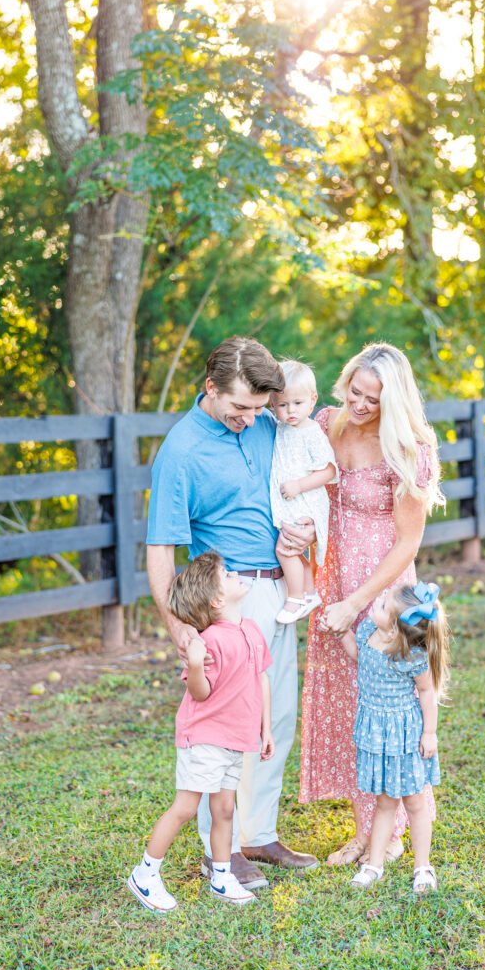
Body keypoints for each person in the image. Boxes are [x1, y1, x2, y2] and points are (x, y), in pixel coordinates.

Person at [146, 336, 318, 893]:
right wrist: (179, 628)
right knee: (225, 730)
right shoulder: (181, 451)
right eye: (238, 409)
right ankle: (216, 852)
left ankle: (257, 833)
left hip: (280, 592)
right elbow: (159, 549)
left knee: (277, 718)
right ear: (209, 388)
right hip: (225, 604)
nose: (249, 419)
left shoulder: (269, 422)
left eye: (257, 409)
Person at [298, 342, 445, 865]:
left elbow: (408, 542)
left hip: (377, 586)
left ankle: (382, 832)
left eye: (373, 400)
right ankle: (369, 823)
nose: (359, 405)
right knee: (345, 698)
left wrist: (357, 601)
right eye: (355, 391)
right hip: (329, 572)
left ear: (395, 402)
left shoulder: (406, 449)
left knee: (381, 698)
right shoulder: (324, 422)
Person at [127, 552, 275, 911]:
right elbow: (199, 692)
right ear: (218, 600)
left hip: (235, 739)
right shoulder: (209, 642)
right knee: (186, 807)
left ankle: (222, 876)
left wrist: (265, 728)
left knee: (224, 809)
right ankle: (145, 874)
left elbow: (261, 679)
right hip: (205, 737)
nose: (235, 573)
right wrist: (194, 663)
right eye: (226, 574)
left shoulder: (251, 630)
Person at [341, 581, 450, 895]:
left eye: (384, 605)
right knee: (384, 802)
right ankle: (374, 864)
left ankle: (423, 867)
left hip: (404, 735)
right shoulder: (367, 632)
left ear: (393, 632)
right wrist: (342, 634)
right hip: (377, 733)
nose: (378, 602)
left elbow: (427, 692)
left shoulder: (409, 655)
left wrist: (429, 733)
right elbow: (358, 657)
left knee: (414, 803)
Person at [269, 360, 337, 625]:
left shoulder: (311, 433)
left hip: (306, 500)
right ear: (272, 405)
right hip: (292, 501)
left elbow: (329, 471)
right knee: (295, 549)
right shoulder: (283, 428)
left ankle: (295, 597)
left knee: (285, 548)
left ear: (312, 400)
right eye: (282, 405)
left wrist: (298, 485)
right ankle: (309, 593)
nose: (290, 411)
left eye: (297, 403)